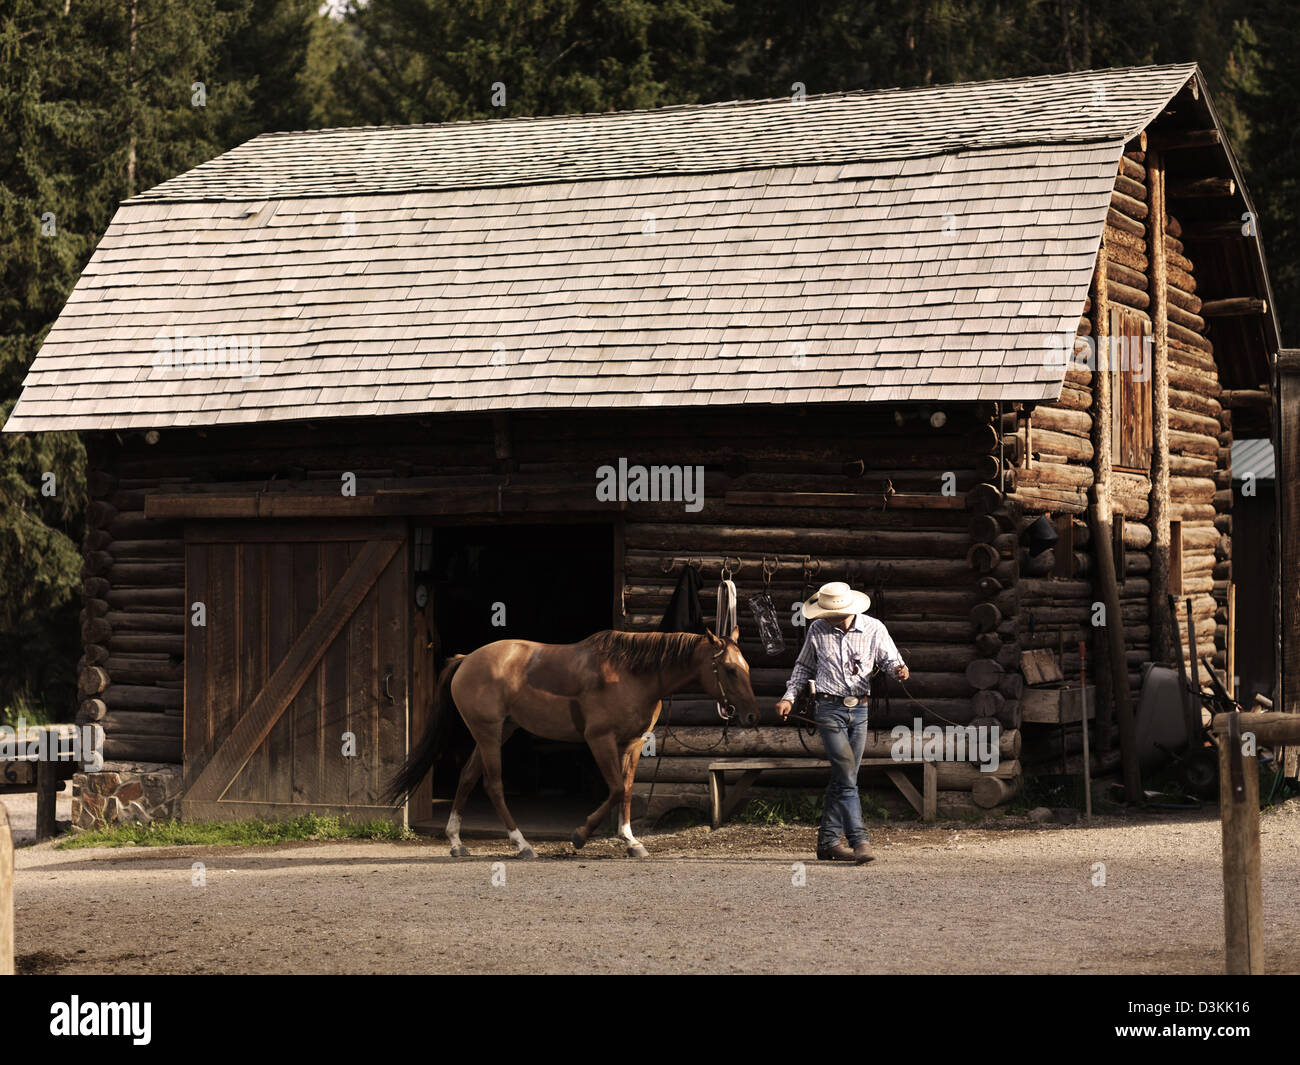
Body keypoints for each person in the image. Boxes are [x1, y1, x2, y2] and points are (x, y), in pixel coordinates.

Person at [776, 581, 908, 864]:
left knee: (844, 775)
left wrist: (899, 671)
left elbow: (890, 661)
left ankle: (827, 842)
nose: (826, 616)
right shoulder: (817, 629)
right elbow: (803, 667)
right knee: (848, 775)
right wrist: (789, 697)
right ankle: (860, 841)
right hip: (828, 708)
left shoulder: (874, 628)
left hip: (859, 710)